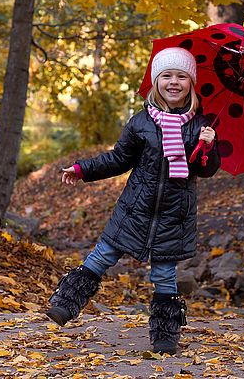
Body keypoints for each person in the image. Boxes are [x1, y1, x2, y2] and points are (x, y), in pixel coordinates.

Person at [46, 47, 221, 355]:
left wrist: (207, 147)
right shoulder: (141, 122)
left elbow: (206, 170)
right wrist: (81, 169)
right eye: (166, 75)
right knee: (102, 256)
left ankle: (166, 335)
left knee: (165, 274)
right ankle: (65, 305)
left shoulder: (201, 126)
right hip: (134, 209)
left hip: (173, 215)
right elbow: (117, 159)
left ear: (191, 84)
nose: (174, 82)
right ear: (156, 82)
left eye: (182, 76)